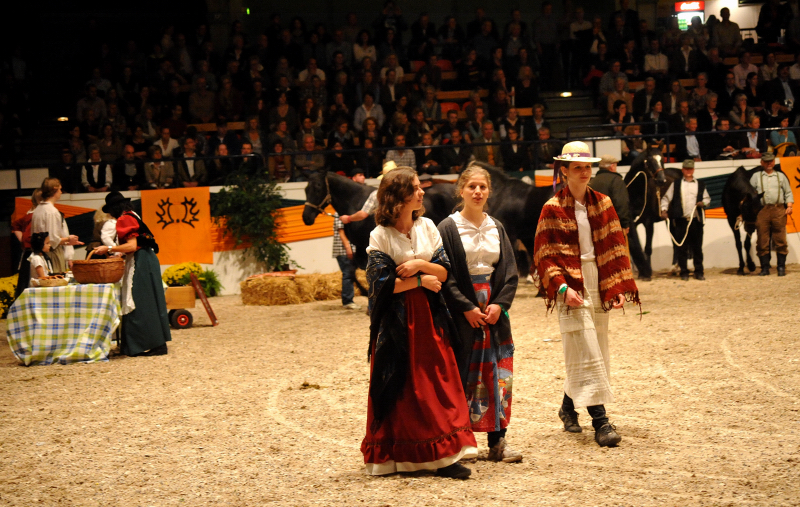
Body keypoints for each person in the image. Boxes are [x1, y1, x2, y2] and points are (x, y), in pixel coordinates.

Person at [362, 167, 478, 478]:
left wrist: (418, 265)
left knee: (437, 382)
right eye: (414, 188)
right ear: (398, 196)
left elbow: (443, 273)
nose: (421, 192)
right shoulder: (380, 235)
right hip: (398, 323)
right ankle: (405, 454)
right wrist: (419, 282)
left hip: (430, 317)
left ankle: (444, 455)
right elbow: (381, 288)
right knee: (403, 386)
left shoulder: (427, 226)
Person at [533, 141, 639, 447]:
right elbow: (543, 253)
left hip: (597, 279)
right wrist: (561, 288)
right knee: (587, 346)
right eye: (577, 167)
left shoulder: (603, 203)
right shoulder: (551, 208)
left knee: (596, 348)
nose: (584, 172)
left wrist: (617, 286)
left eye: (587, 167)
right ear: (564, 171)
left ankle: (567, 407)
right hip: (569, 282)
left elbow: (617, 246)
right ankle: (601, 421)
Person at [437, 166, 522, 463]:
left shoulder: (496, 227)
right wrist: (466, 308)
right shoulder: (447, 228)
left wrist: (500, 304)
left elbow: (510, 273)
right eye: (471, 186)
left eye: (482, 187)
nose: (477, 192)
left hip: (494, 312)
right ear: (461, 190)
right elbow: (443, 275)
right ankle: (461, 442)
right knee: (464, 374)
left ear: (488, 191)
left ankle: (498, 443)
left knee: (498, 375)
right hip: (463, 312)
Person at [90, 192, 171, 356]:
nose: (110, 214)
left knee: (139, 301)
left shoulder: (124, 219)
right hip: (147, 258)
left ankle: (146, 344)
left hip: (140, 260)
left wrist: (110, 248)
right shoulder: (132, 214)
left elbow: (132, 246)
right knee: (149, 300)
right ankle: (151, 343)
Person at [660, 160, 711, 281]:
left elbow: (707, 199)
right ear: (683, 170)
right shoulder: (676, 184)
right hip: (681, 220)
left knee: (697, 247)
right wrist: (663, 210)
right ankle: (684, 272)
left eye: (690, 169)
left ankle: (699, 271)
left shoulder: (700, 184)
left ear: (693, 170)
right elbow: (666, 198)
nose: (688, 171)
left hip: (695, 220)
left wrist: (702, 203)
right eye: (686, 169)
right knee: (681, 247)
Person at [750, 153, 794, 276]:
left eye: (771, 161)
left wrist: (789, 206)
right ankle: (765, 267)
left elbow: (788, 192)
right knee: (762, 239)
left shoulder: (780, 176)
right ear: (762, 162)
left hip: (778, 209)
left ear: (774, 162)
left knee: (780, 238)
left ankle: (781, 267)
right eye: (766, 161)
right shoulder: (756, 176)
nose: (769, 163)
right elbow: (750, 194)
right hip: (762, 210)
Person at [32, 178, 82, 273]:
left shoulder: (38, 209)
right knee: (55, 281)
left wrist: (67, 242)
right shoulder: (52, 211)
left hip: (40, 252)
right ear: (54, 189)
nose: (61, 192)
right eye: (59, 189)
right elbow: (53, 240)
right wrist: (68, 239)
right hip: (52, 254)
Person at [12, 189, 43, 297]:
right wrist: (24, 240)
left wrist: (22, 239)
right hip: (33, 253)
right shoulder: (34, 216)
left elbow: (15, 226)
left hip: (30, 253)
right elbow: (16, 226)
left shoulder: (29, 215)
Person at [589, 155, 631, 234]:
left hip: (595, 226)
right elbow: (621, 203)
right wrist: (624, 224)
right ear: (612, 166)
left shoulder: (593, 181)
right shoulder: (616, 180)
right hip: (613, 226)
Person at [333, 213, 361, 310]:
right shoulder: (339, 213)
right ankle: (347, 301)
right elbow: (341, 232)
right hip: (343, 250)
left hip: (348, 250)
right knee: (348, 274)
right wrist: (348, 248)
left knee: (350, 274)